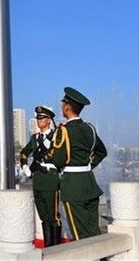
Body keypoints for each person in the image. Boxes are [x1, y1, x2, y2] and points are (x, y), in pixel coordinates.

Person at [48, 87, 107, 240]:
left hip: (73, 187)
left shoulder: (63, 131)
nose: (62, 107)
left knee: (80, 235)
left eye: (63, 105)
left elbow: (58, 161)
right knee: (93, 232)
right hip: (89, 183)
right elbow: (102, 152)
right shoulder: (89, 128)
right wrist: (87, 165)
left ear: (67, 107)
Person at [20, 106, 61, 247]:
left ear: (49, 120)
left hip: (50, 178)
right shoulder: (35, 138)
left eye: (42, 118)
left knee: (53, 217)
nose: (39, 120)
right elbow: (24, 153)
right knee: (44, 217)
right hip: (37, 180)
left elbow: (62, 157)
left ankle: (56, 248)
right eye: (37, 118)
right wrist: (25, 166)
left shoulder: (57, 136)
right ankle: (48, 246)